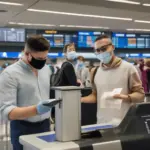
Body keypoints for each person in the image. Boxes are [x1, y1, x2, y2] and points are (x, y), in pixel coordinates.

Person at [0, 35, 53, 150]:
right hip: (22, 127)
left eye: (45, 58)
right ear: (27, 54)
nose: (43, 62)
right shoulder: (10, 74)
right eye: (39, 59)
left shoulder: (46, 69)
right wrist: (36, 110)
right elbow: (6, 111)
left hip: (45, 125)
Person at [81, 35, 145, 126]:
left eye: (104, 49)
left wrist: (127, 97)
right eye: (97, 50)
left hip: (124, 124)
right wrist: (81, 99)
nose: (101, 53)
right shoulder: (95, 72)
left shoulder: (128, 68)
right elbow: (95, 96)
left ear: (112, 47)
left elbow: (140, 95)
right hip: (102, 123)